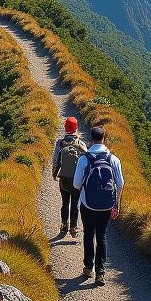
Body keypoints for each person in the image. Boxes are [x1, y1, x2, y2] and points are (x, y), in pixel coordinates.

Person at [72, 126, 123, 284]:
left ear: (90, 139)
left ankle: (88, 268)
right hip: (106, 205)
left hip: (87, 204)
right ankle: (101, 272)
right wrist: (116, 205)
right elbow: (120, 184)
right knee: (101, 236)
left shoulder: (84, 159)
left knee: (88, 234)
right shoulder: (113, 159)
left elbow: (76, 184)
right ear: (104, 138)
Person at [51, 117, 87, 237]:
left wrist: (54, 174)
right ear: (76, 128)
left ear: (65, 128)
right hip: (76, 180)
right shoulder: (81, 144)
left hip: (64, 179)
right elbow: (86, 161)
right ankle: (74, 227)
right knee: (75, 203)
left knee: (65, 202)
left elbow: (56, 160)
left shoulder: (60, 143)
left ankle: (64, 224)